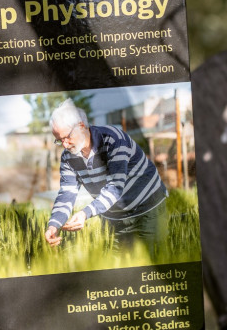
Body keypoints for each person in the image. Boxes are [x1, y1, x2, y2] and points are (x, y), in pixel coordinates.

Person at [44, 99, 168, 258]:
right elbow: (66, 194)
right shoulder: (68, 157)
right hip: (114, 218)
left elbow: (115, 187)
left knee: (153, 265)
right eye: (59, 140)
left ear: (81, 126)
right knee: (120, 272)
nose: (64, 145)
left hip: (147, 209)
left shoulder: (113, 139)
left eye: (66, 137)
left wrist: (84, 213)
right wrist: (54, 224)